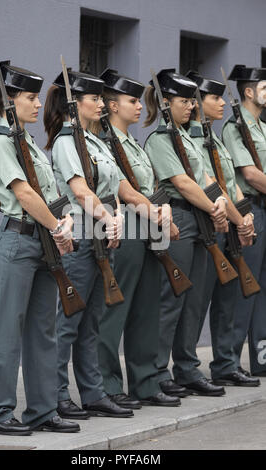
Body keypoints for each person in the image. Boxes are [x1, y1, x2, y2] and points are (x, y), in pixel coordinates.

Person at [0, 60, 79, 435]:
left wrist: (65, 222)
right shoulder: (2, 142)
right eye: (30, 98)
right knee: (7, 329)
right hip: (18, 241)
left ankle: (43, 410)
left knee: (42, 329)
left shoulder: (28, 141)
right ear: (9, 101)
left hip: (44, 240)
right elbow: (24, 193)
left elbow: (51, 194)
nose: (38, 104)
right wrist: (58, 229)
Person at [43, 69, 133, 419]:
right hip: (80, 240)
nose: (100, 104)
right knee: (68, 323)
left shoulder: (95, 141)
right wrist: (109, 218)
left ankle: (93, 393)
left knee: (91, 323)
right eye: (94, 98)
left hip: (101, 240)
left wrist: (118, 216)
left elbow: (111, 187)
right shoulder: (67, 142)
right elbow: (80, 191)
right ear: (74, 103)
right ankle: (56, 395)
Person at [96, 69, 181, 408]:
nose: (138, 106)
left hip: (149, 227)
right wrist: (153, 210)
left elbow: (150, 185)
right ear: (113, 105)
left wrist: (165, 210)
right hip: (126, 228)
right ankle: (107, 384)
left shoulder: (133, 142)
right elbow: (124, 189)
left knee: (147, 307)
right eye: (132, 101)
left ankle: (145, 382)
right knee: (115, 309)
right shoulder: (105, 142)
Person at [144, 68, 228, 396]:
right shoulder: (160, 139)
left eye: (191, 101)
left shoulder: (185, 138)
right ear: (165, 103)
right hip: (177, 218)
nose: (191, 107)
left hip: (199, 217)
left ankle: (187, 368)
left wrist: (219, 207)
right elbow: (181, 183)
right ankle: (157, 371)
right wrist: (213, 208)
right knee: (172, 298)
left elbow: (206, 179)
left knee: (194, 301)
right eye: (183, 101)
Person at [186, 70, 259, 387]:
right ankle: (186, 367)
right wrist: (237, 217)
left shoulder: (213, 136)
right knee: (199, 301)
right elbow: (213, 186)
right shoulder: (191, 137)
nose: (221, 102)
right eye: (214, 97)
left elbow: (232, 184)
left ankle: (227, 363)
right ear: (198, 103)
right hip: (212, 221)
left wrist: (244, 215)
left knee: (231, 294)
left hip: (231, 220)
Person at [222, 65, 266, 377]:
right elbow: (249, 174)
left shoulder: (261, 127)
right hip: (251, 209)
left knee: (263, 288)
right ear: (248, 91)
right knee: (245, 287)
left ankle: (262, 358)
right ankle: (229, 362)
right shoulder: (235, 128)